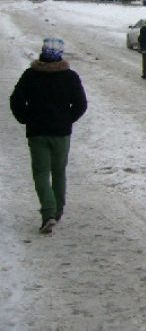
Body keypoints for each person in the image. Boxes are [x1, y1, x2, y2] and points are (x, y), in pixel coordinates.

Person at [9, 37, 88, 234]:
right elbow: (81, 104)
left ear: (42, 52)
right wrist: (67, 119)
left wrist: (25, 118)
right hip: (61, 133)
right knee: (59, 171)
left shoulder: (30, 75)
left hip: (37, 132)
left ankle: (48, 212)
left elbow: (16, 100)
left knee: (41, 173)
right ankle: (57, 210)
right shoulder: (70, 76)